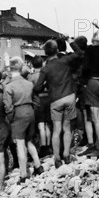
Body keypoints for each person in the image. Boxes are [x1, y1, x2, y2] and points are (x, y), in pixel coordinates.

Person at [33, 39, 83, 168]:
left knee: (56, 130)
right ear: (56, 50)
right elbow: (79, 53)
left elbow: (37, 88)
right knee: (67, 128)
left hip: (55, 99)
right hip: (69, 96)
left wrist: (46, 86)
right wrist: (70, 40)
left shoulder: (45, 69)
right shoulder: (64, 61)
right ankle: (66, 154)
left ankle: (57, 157)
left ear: (45, 52)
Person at [4, 56, 44, 183]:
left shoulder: (9, 87)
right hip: (30, 112)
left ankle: (23, 174)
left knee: (20, 145)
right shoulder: (29, 84)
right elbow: (37, 101)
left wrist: (11, 118)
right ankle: (38, 166)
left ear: (10, 69)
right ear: (21, 68)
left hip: (18, 114)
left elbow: (7, 106)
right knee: (29, 140)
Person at [27, 56, 51, 158]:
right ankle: (49, 146)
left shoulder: (31, 77)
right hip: (48, 100)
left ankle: (43, 146)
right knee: (48, 125)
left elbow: (30, 92)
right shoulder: (47, 74)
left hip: (38, 101)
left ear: (32, 65)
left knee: (41, 125)